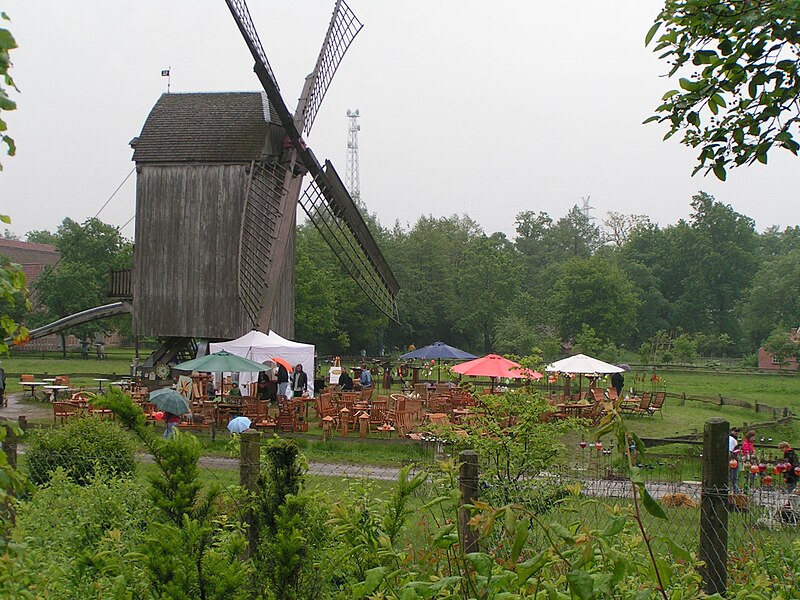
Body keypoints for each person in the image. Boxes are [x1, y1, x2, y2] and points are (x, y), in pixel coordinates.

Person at [729, 428, 741, 494]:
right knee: (733, 475)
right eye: (735, 431)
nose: (737, 433)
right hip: (732, 457)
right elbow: (736, 450)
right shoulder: (733, 440)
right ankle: (735, 491)